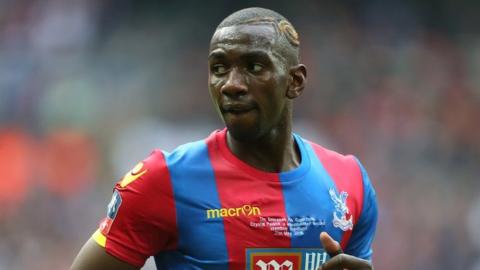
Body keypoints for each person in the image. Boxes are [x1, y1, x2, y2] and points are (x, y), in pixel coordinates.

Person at [70, 7, 377, 270]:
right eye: (219, 68)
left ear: (295, 82)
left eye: (254, 67)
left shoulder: (348, 181)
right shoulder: (163, 179)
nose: (231, 84)